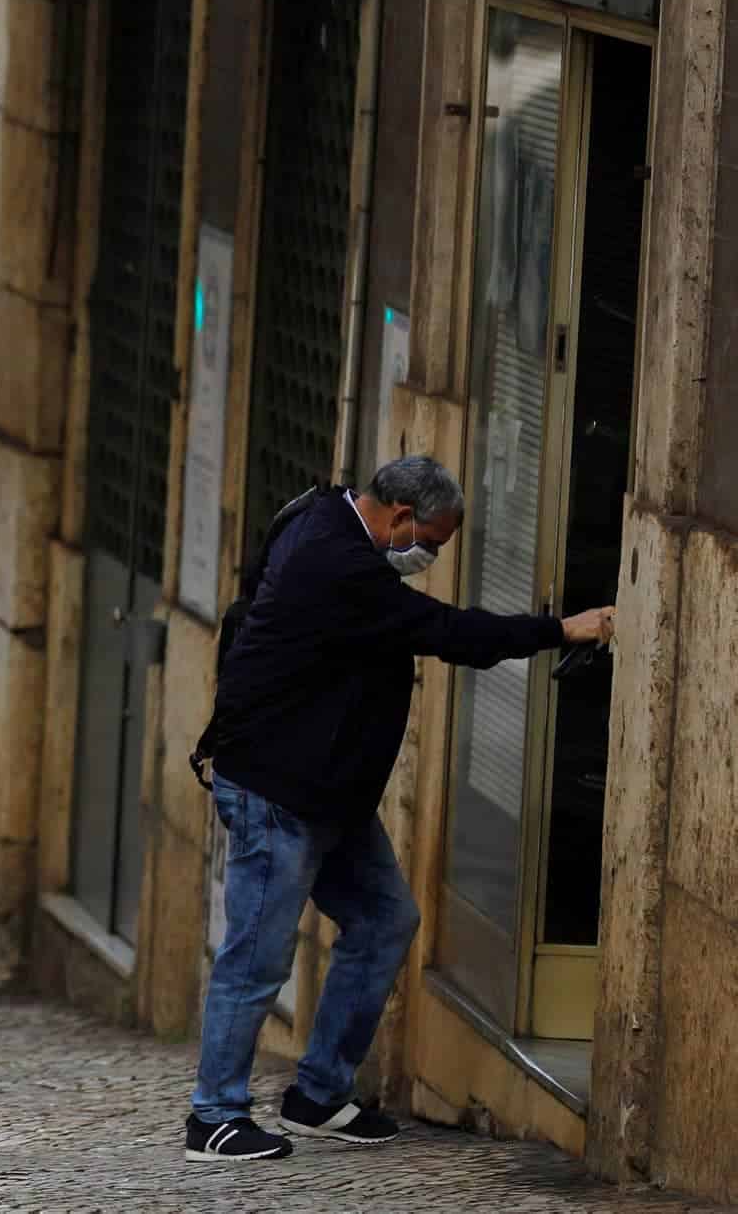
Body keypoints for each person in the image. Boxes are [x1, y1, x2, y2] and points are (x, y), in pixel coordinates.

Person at [183, 455, 614, 1163]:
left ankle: (318, 1093)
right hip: (277, 792)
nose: (430, 556)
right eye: (432, 542)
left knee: (386, 920)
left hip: (328, 793)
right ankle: (214, 1117)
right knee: (257, 955)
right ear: (400, 516)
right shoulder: (339, 564)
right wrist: (560, 631)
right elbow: (449, 633)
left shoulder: (322, 518)